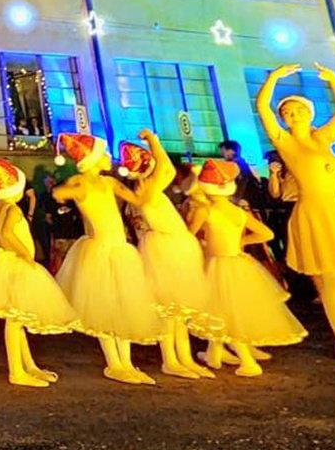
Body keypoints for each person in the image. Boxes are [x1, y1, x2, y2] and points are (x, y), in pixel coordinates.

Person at [255, 63, 335, 365]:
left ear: (309, 114)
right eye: (287, 113)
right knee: (333, 279)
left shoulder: (323, 138)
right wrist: (274, 77)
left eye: (297, 110)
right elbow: (262, 105)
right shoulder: (285, 141)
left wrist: (332, 80)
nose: (292, 115)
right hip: (313, 212)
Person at [53, 132, 160, 385]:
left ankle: (127, 363)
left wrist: (147, 177)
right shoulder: (81, 183)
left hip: (119, 248)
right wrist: (66, 191)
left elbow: (138, 200)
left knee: (123, 305)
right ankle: (114, 363)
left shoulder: (110, 183)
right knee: (105, 305)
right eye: (103, 154)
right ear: (92, 158)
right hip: (99, 249)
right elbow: (60, 192)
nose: (109, 158)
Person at [188, 158, 306, 377]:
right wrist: (241, 242)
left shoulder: (205, 211)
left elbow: (189, 235)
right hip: (237, 262)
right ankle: (213, 353)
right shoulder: (239, 212)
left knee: (224, 311)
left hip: (218, 264)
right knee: (223, 309)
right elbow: (266, 234)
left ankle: (248, 361)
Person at [0, 158, 76, 387]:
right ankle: (16, 371)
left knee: (17, 319)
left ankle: (28, 365)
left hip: (6, 263)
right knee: (15, 320)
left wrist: (1, 245)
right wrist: (24, 253)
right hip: (17, 266)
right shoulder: (11, 208)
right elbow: (9, 233)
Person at [128, 132, 215, 380]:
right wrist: (153, 140)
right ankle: (171, 359)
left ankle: (184, 358)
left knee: (180, 309)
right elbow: (166, 167)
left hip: (175, 245)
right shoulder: (150, 190)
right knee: (169, 308)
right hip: (167, 248)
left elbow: (164, 169)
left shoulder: (149, 190)